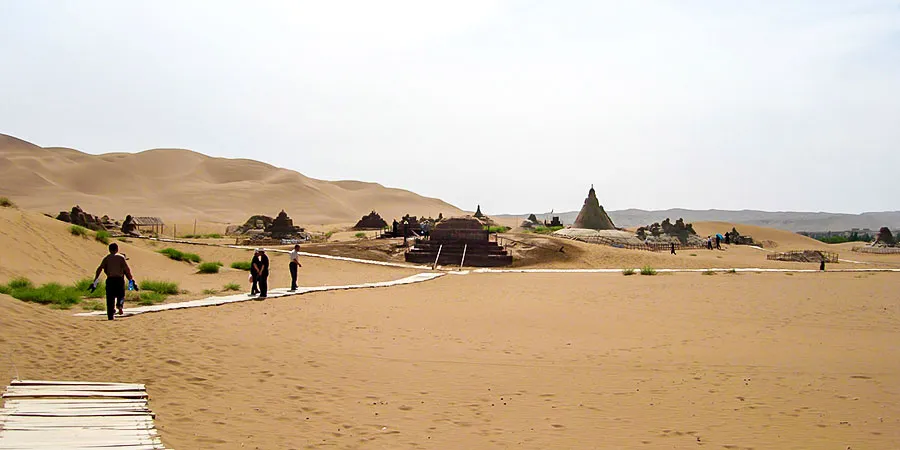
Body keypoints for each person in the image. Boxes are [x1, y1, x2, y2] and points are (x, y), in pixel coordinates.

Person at [92, 243, 135, 320]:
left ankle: (110, 315)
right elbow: (127, 270)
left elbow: (99, 269)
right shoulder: (121, 258)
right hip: (119, 280)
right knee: (121, 295)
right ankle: (120, 305)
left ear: (109, 250)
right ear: (117, 249)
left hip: (110, 280)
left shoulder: (106, 258)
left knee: (110, 298)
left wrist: (95, 281)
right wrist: (131, 282)